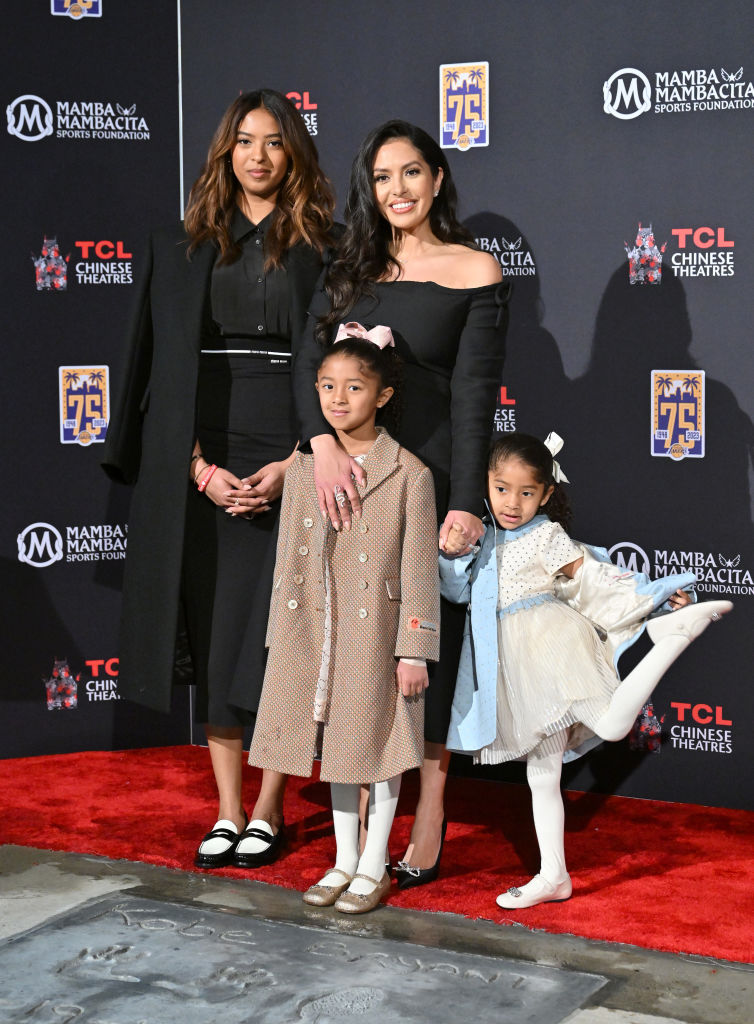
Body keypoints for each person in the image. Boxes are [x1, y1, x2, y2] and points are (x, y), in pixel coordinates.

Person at [100, 89, 337, 870]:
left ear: (293, 154)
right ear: (223, 153)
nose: (258, 156)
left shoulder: (326, 248)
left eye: (273, 142)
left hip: (292, 453)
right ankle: (229, 810)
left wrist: (296, 464)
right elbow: (152, 374)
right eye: (244, 141)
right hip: (205, 460)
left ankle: (269, 809)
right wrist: (197, 470)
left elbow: (345, 376)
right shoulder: (179, 243)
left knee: (276, 645)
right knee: (215, 637)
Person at [285, 119, 508, 887]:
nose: (398, 191)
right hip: (347, 474)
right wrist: (318, 446)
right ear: (368, 188)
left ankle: (432, 800)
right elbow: (306, 367)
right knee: (354, 637)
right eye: (382, 178)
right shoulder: (348, 265)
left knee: (421, 648)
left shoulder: (474, 270)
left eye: (412, 173)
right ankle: (361, 819)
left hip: (432, 474)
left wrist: (468, 500)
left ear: (437, 180)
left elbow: (477, 397)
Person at [440, 432, 733, 909]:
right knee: (542, 773)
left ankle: (671, 638)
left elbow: (597, 581)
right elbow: (455, 594)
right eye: (501, 488)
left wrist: (656, 596)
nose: (512, 503)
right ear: (485, 485)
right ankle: (553, 874)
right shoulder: (478, 534)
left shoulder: (547, 536)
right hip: (513, 670)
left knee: (614, 725)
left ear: (547, 494)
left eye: (527, 492)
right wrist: (452, 554)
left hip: (554, 647)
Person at [248, 330, 440, 912]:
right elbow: (290, 557)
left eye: (354, 387)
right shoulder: (304, 467)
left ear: (381, 395)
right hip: (314, 631)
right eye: (327, 386)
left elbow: (418, 570)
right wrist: (280, 635)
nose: (338, 398)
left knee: (381, 746)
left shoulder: (411, 475)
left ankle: (375, 864)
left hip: (377, 636)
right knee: (335, 748)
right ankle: (343, 860)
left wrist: (415, 649)